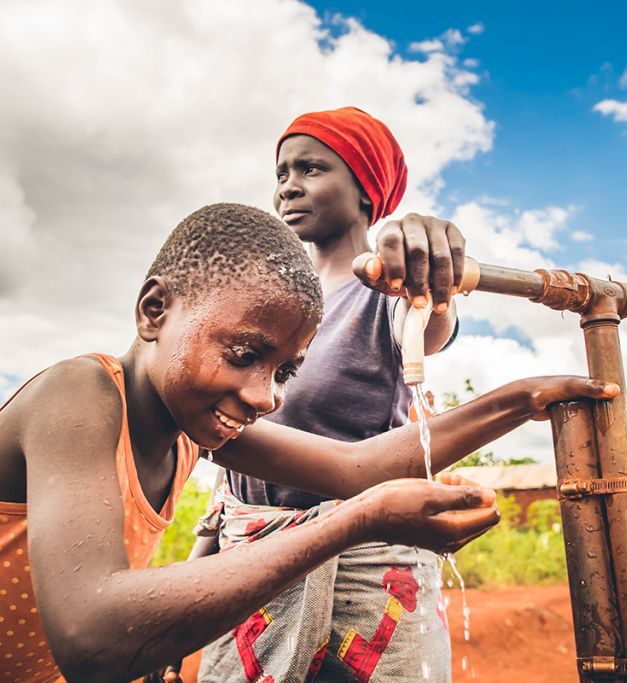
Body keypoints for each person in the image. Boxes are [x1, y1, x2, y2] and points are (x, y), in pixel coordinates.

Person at [0, 202, 624, 683]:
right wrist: (352, 523)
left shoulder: (195, 428)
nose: (265, 395)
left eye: (285, 370)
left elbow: (360, 465)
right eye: (245, 353)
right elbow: (90, 635)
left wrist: (528, 398)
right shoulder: (79, 395)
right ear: (154, 310)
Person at [195, 106, 468, 683]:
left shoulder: (386, 291)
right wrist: (200, 567)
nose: (289, 186)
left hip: (360, 577)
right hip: (245, 564)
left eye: (312, 168)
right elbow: (235, 447)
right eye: (281, 173)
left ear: (366, 189)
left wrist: (422, 266)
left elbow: (430, 325)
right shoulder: (273, 307)